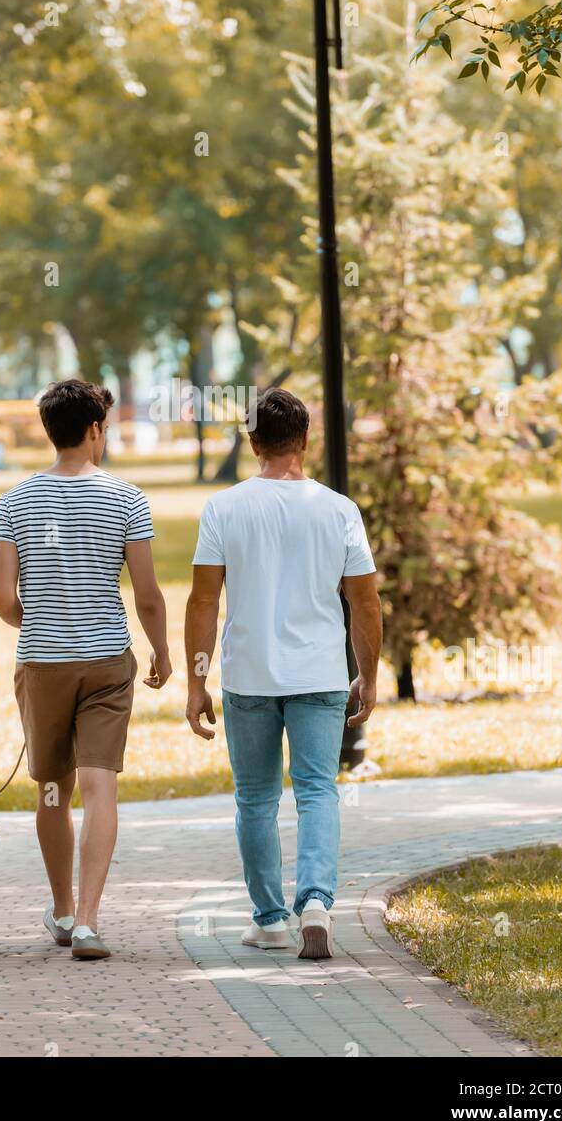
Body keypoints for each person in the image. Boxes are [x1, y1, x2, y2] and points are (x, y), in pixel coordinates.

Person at [184, 387, 381, 959]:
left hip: (248, 676)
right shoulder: (339, 510)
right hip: (320, 673)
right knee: (319, 791)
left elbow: (203, 601)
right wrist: (367, 674)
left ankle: (270, 919)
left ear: (253, 444)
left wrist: (197, 680)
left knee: (255, 798)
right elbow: (364, 603)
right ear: (306, 439)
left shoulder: (224, 507)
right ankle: (316, 901)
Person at [0, 379, 171, 960]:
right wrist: (162, 650)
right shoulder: (127, 498)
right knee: (99, 788)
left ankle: (63, 911)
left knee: (51, 788)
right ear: (95, 430)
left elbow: (2, 598)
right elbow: (146, 595)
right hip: (107, 664)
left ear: (50, 431)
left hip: (42, 664)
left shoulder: (14, 502)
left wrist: (42, 623)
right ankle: (91, 922)